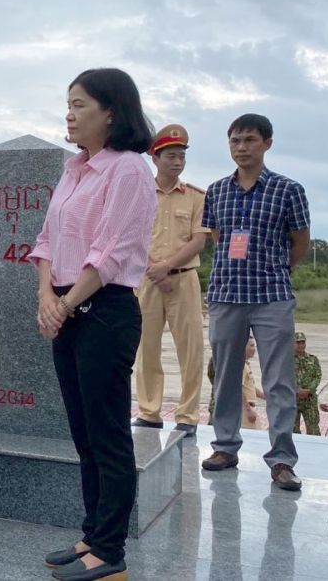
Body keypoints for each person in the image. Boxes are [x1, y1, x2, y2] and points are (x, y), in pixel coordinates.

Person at [31, 68, 156, 581]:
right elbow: (45, 240)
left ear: (111, 111)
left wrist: (65, 302)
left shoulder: (128, 169)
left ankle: (111, 551)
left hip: (104, 311)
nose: (70, 113)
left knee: (107, 435)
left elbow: (112, 252)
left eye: (80, 104)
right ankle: (91, 535)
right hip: (66, 306)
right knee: (82, 434)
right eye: (68, 103)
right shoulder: (74, 169)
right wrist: (46, 295)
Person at [200, 113, 310, 493]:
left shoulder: (288, 190)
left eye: (249, 140)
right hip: (227, 295)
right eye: (235, 141)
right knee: (227, 377)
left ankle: (281, 459)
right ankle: (225, 447)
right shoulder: (215, 191)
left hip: (271, 298)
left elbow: (300, 242)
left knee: (279, 380)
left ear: (267, 143)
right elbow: (217, 236)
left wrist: (277, 270)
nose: (242, 147)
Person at [131, 124, 208, 437]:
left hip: (184, 279)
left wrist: (167, 267)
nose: (177, 162)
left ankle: (188, 415)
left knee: (191, 350)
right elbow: (131, 236)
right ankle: (149, 412)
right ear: (155, 158)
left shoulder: (195, 197)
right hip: (146, 280)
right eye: (171, 156)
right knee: (146, 347)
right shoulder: (139, 194)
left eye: (181, 157)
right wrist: (154, 270)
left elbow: (198, 240)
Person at [293, 331, 321, 435]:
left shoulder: (313, 359)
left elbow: (317, 376)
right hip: (293, 399)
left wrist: (309, 390)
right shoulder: (287, 360)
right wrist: (296, 390)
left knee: (313, 429)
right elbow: (283, 377)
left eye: (303, 342)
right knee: (293, 430)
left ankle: (315, 450)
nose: (301, 345)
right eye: (298, 342)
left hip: (309, 399)